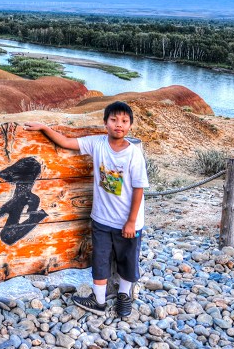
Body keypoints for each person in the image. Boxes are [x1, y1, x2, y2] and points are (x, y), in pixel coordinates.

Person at [23, 100, 148, 318]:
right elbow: (66, 142)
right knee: (100, 259)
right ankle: (98, 301)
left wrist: (131, 221)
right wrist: (44, 128)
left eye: (124, 121)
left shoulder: (133, 154)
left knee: (127, 259)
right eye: (114, 120)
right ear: (105, 123)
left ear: (130, 125)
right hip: (101, 218)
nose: (119, 124)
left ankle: (124, 296)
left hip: (128, 221)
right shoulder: (97, 143)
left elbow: (139, 189)